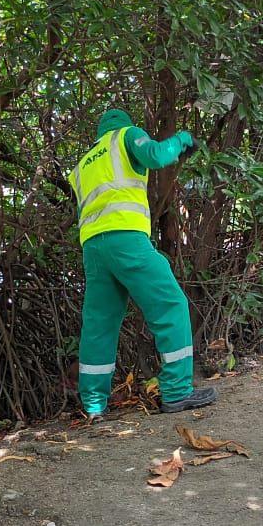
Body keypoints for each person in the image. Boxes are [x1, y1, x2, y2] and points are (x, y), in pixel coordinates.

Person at [69, 108, 217, 419]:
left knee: (99, 325)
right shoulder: (125, 135)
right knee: (170, 303)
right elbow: (156, 155)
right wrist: (182, 140)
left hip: (93, 248)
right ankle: (177, 391)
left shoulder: (83, 163)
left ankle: (94, 406)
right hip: (126, 239)